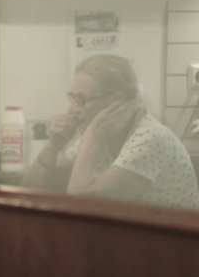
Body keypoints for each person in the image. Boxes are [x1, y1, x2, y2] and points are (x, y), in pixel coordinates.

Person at [21, 54, 199, 210]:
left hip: (175, 237)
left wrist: (91, 137)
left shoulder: (151, 138)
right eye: (72, 97)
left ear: (116, 102)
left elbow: (82, 208)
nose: (72, 109)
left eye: (82, 99)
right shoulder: (102, 132)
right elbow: (29, 190)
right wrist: (54, 145)